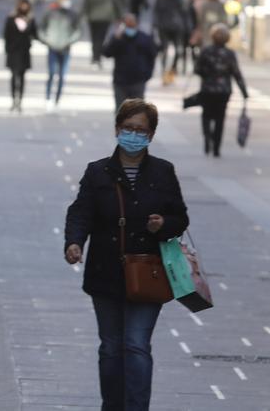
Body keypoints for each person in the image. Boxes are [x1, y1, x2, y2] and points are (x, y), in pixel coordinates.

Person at [65, 99, 188, 411]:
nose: (134, 135)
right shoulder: (98, 172)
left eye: (141, 130)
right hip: (105, 272)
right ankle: (112, 405)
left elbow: (180, 217)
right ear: (117, 129)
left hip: (148, 272)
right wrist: (74, 242)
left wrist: (164, 224)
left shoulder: (163, 171)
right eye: (128, 128)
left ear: (151, 135)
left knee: (135, 345)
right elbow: (81, 213)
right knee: (110, 347)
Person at [193, 24, 248, 157]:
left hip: (207, 90)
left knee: (206, 115)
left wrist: (207, 75)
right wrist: (244, 91)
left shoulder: (206, 51)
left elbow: (197, 69)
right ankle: (217, 148)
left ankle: (207, 138)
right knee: (220, 118)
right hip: (224, 92)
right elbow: (236, 73)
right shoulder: (230, 54)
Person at [38, 0, 83, 111]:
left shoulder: (72, 14)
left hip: (65, 48)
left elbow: (78, 30)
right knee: (52, 74)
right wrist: (47, 40)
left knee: (62, 76)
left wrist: (70, 41)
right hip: (52, 47)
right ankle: (48, 98)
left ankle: (57, 99)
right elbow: (41, 28)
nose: (66, 0)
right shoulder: (50, 13)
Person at [102, 13, 158, 108]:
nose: (130, 27)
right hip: (120, 81)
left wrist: (147, 74)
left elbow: (152, 56)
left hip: (138, 80)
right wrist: (116, 39)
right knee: (121, 111)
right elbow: (107, 53)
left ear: (136, 24)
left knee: (137, 111)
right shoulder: (118, 38)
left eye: (131, 24)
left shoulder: (144, 38)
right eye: (127, 25)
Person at [153, 0, 195, 81]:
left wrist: (189, 28)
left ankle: (173, 68)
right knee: (164, 49)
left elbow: (188, 13)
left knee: (179, 49)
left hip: (178, 27)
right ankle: (164, 69)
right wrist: (155, 24)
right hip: (164, 26)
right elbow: (156, 11)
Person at [82, 0, 123, 69]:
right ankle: (97, 58)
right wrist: (119, 17)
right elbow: (117, 4)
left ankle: (95, 57)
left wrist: (85, 15)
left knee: (94, 38)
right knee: (101, 38)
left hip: (93, 18)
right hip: (105, 18)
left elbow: (85, 5)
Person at [3, 0, 38, 113]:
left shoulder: (30, 19)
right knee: (13, 76)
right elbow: (6, 34)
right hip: (13, 52)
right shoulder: (11, 18)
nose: (24, 7)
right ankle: (13, 99)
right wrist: (8, 49)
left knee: (22, 77)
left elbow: (35, 34)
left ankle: (20, 101)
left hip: (24, 52)